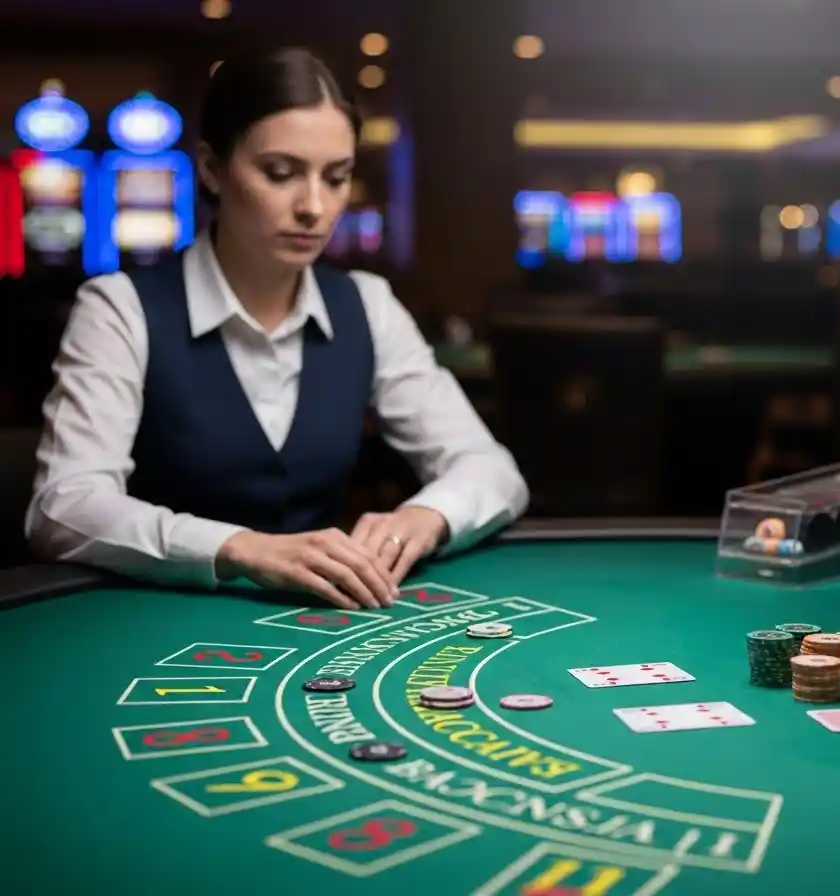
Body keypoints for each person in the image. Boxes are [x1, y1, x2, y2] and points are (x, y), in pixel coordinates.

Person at [25, 47, 528, 610]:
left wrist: (425, 516)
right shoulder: (120, 308)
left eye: (336, 177)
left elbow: (492, 469)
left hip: (318, 630)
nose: (314, 206)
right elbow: (64, 507)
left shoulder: (367, 303)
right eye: (280, 173)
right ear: (213, 168)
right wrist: (241, 548)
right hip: (154, 621)